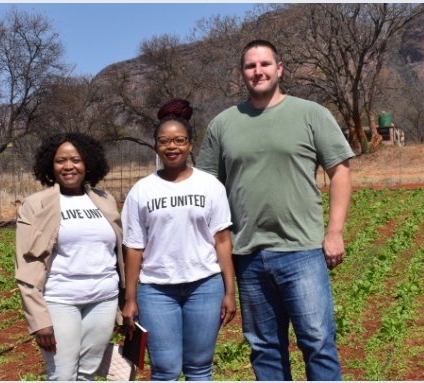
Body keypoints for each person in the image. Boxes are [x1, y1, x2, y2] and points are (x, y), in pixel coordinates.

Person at [194, 39, 353, 381]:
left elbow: (340, 170)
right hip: (247, 254)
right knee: (264, 348)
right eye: (250, 66)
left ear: (279, 69)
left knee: (318, 342)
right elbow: (206, 188)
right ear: (242, 74)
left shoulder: (311, 114)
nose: (258, 71)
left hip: (302, 250)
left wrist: (335, 232)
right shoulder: (223, 124)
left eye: (265, 64)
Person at [121, 99, 237, 381]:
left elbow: (222, 240)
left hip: (205, 287)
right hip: (156, 291)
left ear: (190, 144)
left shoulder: (210, 186)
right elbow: (134, 247)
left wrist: (229, 291)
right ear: (156, 146)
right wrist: (130, 298)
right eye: (164, 141)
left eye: (179, 140)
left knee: (199, 368)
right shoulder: (141, 191)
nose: (172, 147)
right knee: (165, 369)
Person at [15, 133, 124, 381]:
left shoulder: (105, 201)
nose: (68, 166)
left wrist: (123, 302)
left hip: (103, 300)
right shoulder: (35, 204)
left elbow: (118, 254)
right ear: (50, 166)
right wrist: (38, 319)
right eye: (60, 160)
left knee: (87, 373)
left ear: (88, 164)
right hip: (60, 300)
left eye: (76, 159)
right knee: (62, 375)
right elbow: (26, 264)